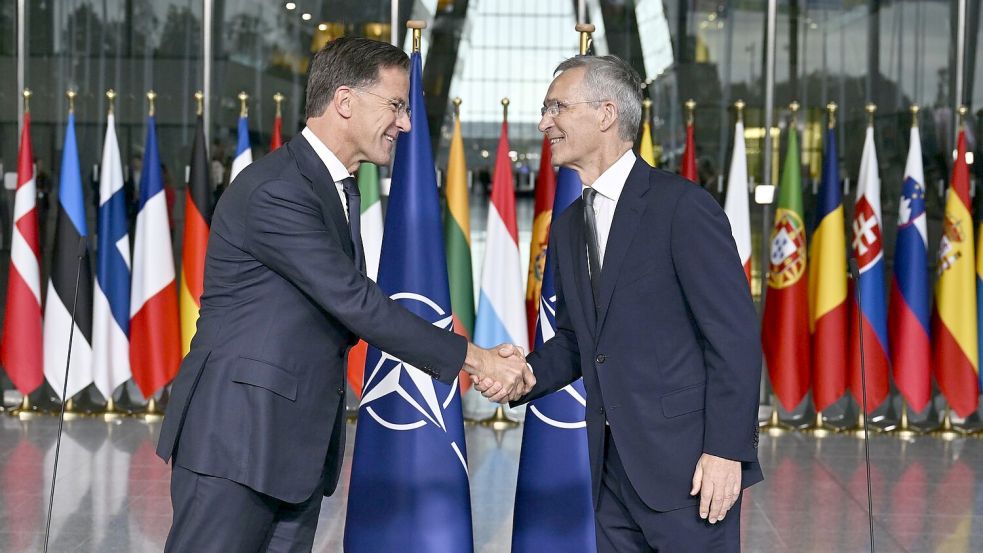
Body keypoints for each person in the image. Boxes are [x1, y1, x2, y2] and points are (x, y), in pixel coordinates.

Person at [157, 37, 533, 552]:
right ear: (345, 101)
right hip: (237, 443)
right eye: (396, 105)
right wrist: (479, 360)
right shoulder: (278, 189)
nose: (404, 124)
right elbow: (357, 302)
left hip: (293, 450)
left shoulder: (337, 187)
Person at [477, 55, 762, 552]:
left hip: (689, 470)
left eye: (556, 107)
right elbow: (575, 339)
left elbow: (733, 339)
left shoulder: (682, 207)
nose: (545, 122)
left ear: (607, 113)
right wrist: (524, 376)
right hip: (610, 472)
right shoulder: (567, 226)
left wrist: (725, 451)